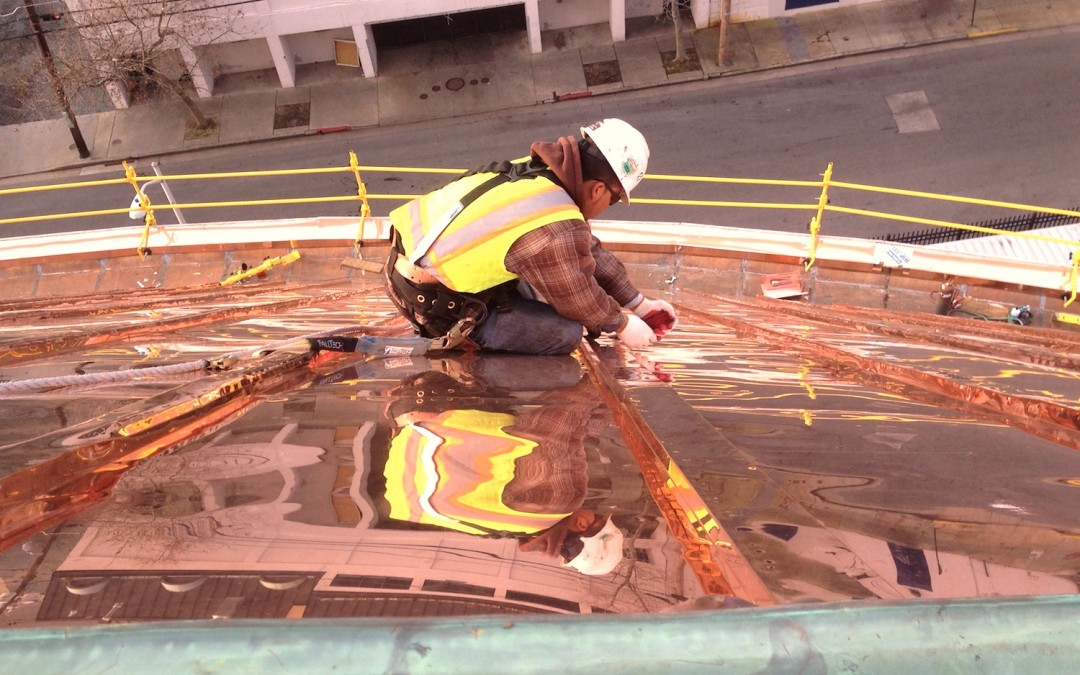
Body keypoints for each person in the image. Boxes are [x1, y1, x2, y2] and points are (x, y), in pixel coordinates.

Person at [384, 118, 677, 355]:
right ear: (599, 190)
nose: (606, 207)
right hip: (433, 304)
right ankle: (475, 354)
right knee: (566, 333)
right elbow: (577, 294)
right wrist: (623, 324)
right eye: (613, 200)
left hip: (408, 264)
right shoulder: (556, 225)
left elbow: (585, 250)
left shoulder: (540, 174)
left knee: (547, 275)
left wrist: (639, 303)